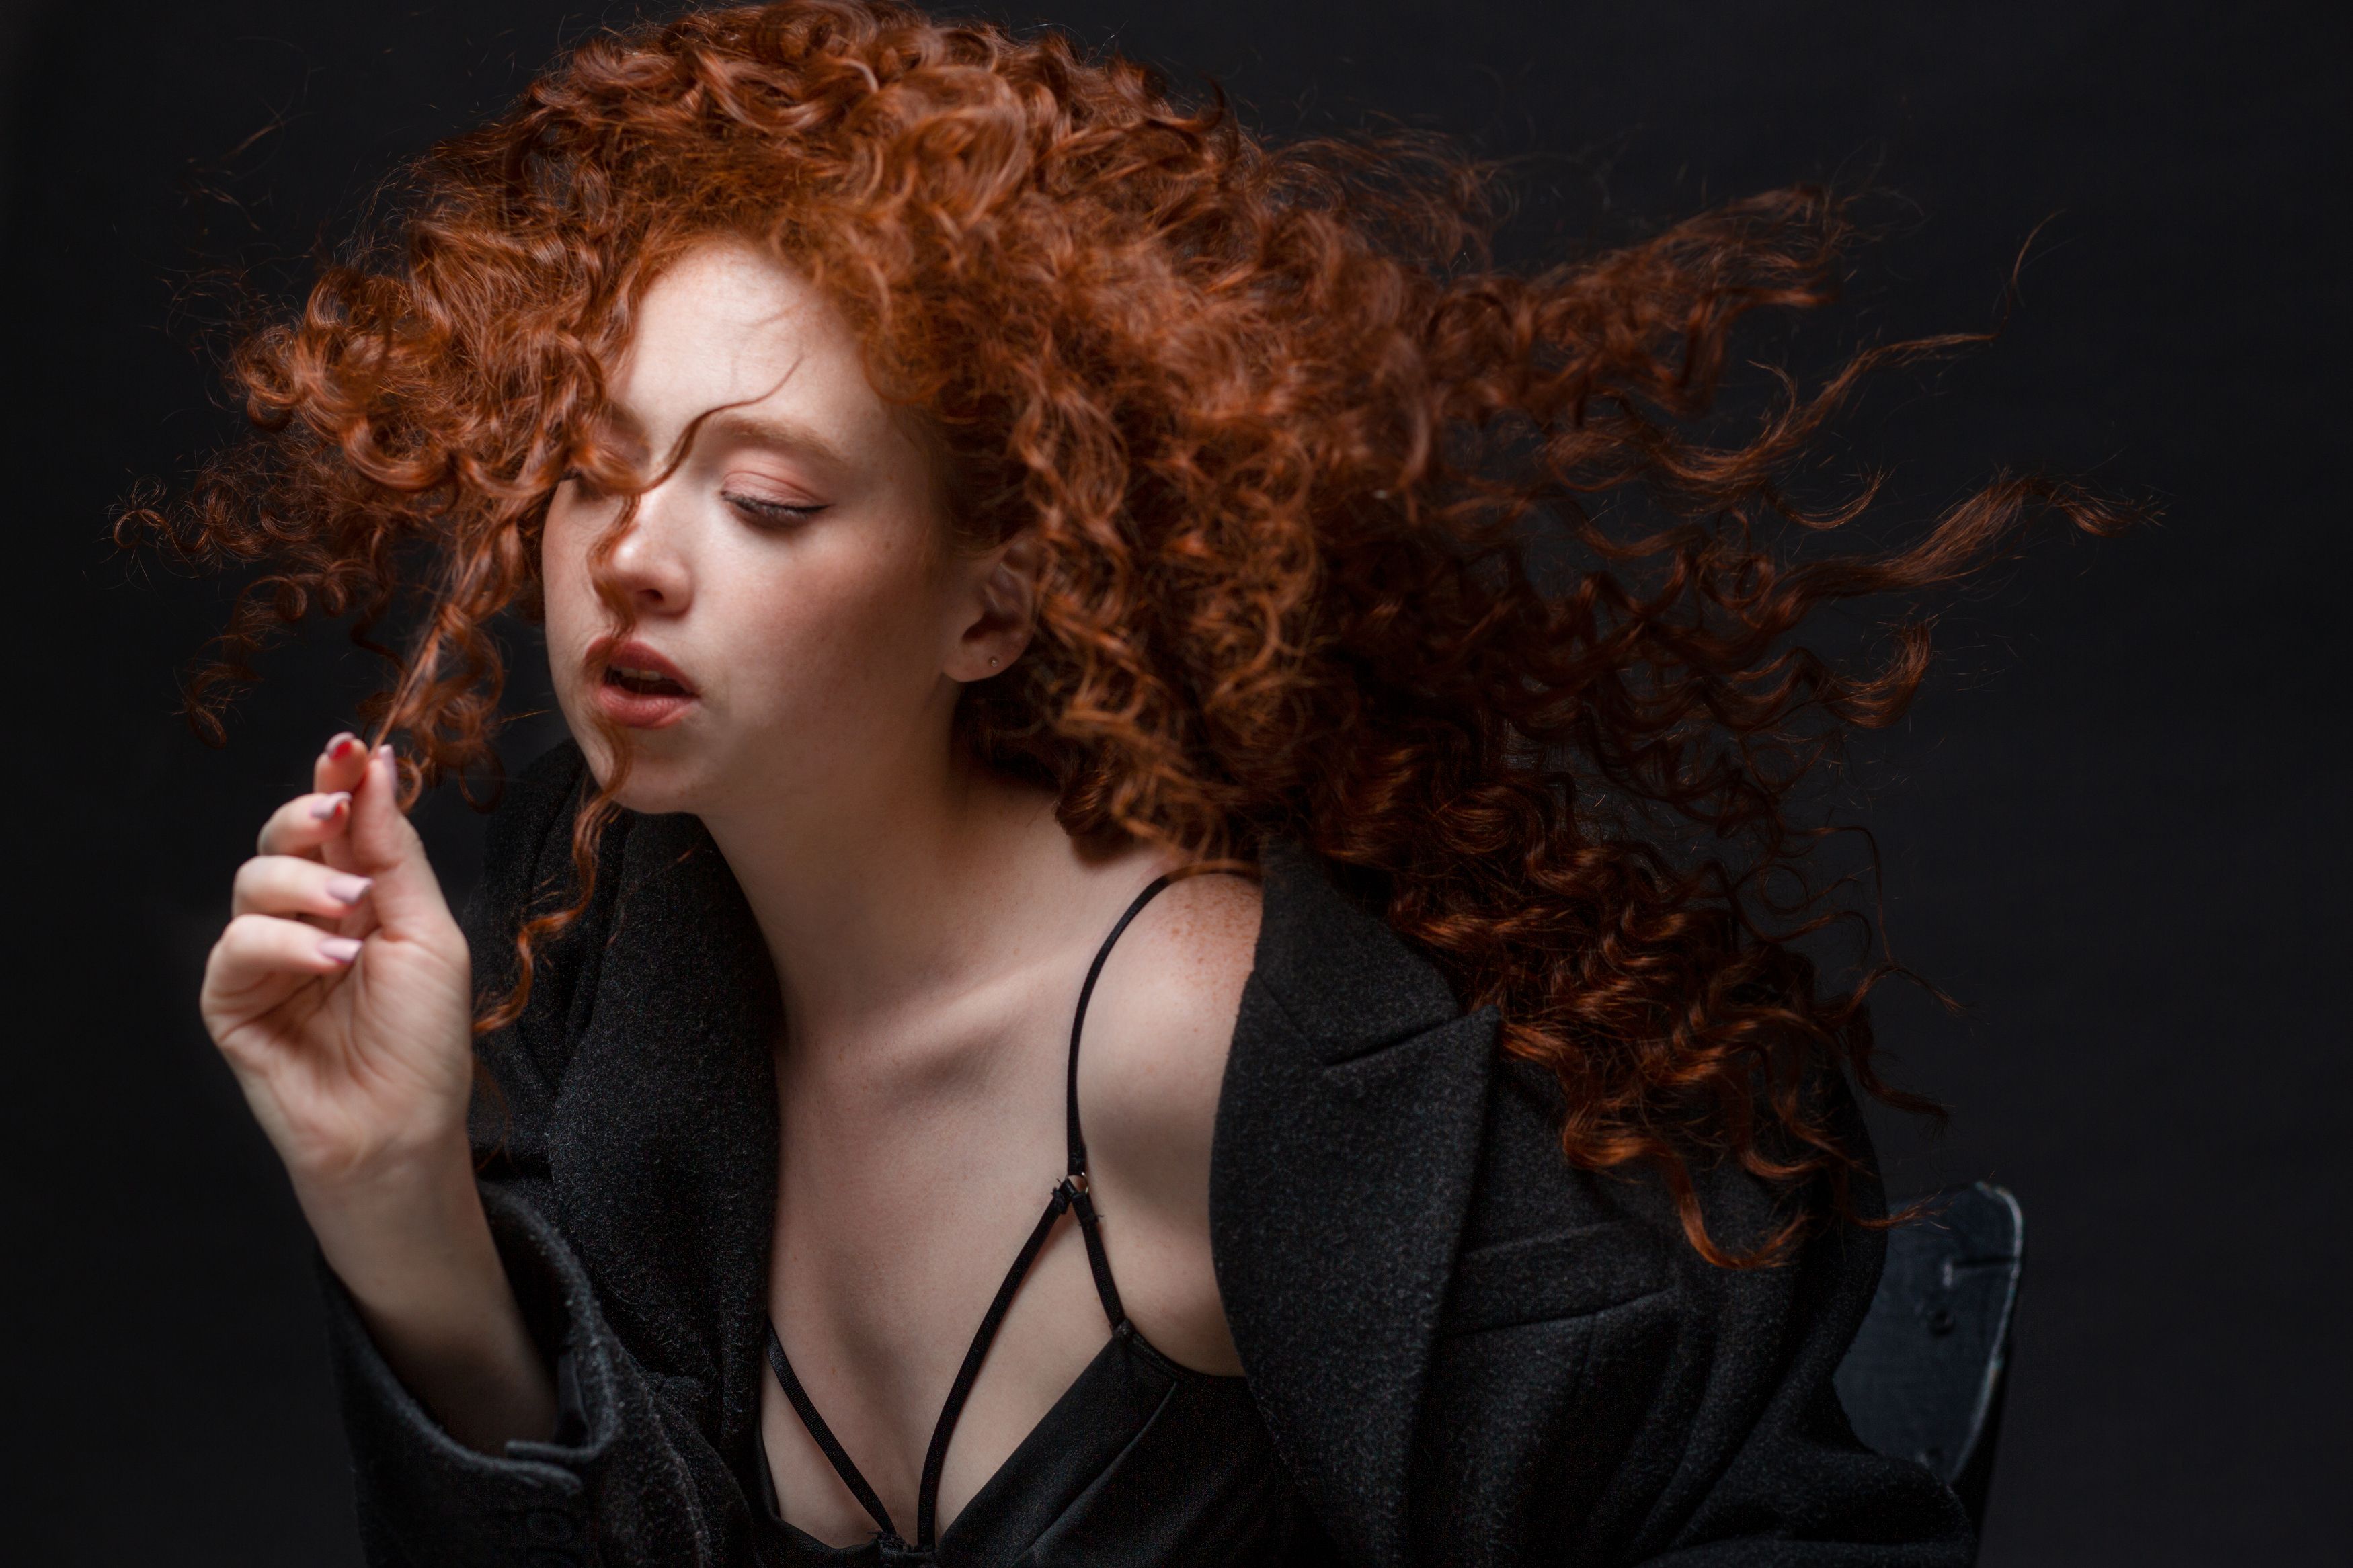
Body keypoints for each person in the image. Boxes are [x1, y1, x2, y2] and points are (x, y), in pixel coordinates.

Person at [143, 1, 2124, 1562]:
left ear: (993, 605)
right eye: (589, 466)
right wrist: (393, 1196)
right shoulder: (607, 948)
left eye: (768, 498)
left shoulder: (1199, 1035)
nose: (633, 553)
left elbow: (1774, 1515)